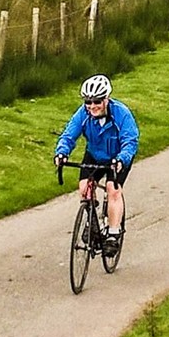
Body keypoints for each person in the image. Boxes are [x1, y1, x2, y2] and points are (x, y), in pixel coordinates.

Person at [54, 74, 139, 250]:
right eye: (88, 102)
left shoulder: (121, 114)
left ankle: (113, 234)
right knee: (85, 188)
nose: (92, 106)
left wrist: (122, 159)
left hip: (118, 157)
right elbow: (69, 135)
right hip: (95, 155)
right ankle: (92, 224)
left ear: (106, 99)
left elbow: (130, 141)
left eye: (97, 101)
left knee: (112, 189)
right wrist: (62, 153)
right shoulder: (83, 114)